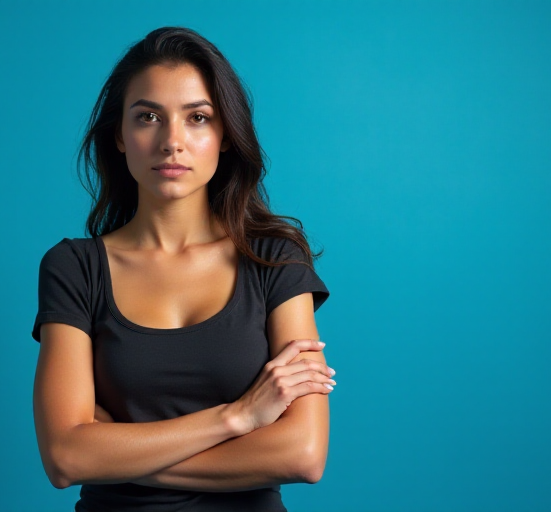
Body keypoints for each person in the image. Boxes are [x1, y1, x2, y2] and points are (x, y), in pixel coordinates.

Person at [30, 26, 336, 512]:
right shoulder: (75, 268)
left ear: (225, 136)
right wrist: (237, 419)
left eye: (197, 117)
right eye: (148, 116)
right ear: (121, 136)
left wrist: (116, 451)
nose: (172, 141)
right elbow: (66, 458)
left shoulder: (275, 260)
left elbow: (303, 454)